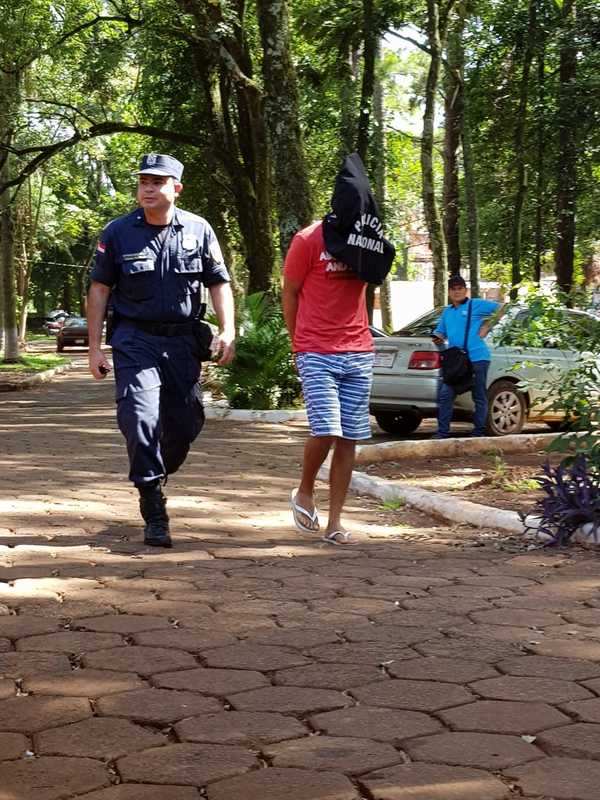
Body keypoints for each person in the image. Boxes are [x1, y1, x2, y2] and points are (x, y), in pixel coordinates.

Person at [87, 153, 235, 548]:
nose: (148, 188)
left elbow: (219, 283)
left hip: (183, 341)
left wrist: (229, 329)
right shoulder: (119, 232)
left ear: (176, 188)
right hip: (135, 339)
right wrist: (95, 347)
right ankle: (152, 503)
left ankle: (156, 469)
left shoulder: (199, 229)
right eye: (143, 182)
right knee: (140, 417)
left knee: (185, 424)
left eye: (157, 182)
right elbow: (100, 289)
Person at [282, 154, 394, 545]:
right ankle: (305, 489)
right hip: (315, 348)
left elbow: (378, 272)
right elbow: (291, 291)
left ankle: (335, 523)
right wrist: (298, 339)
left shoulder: (368, 241)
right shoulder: (308, 239)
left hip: (359, 350)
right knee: (326, 428)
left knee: (349, 437)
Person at [432, 275, 504, 438]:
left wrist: (487, 326)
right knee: (445, 394)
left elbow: (502, 308)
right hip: (457, 362)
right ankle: (442, 433)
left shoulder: (475, 304)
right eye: (453, 289)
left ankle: (478, 432)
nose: (457, 292)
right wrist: (436, 337)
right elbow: (440, 332)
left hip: (478, 357)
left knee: (478, 395)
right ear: (449, 292)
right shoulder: (447, 311)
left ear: (465, 290)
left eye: (460, 288)